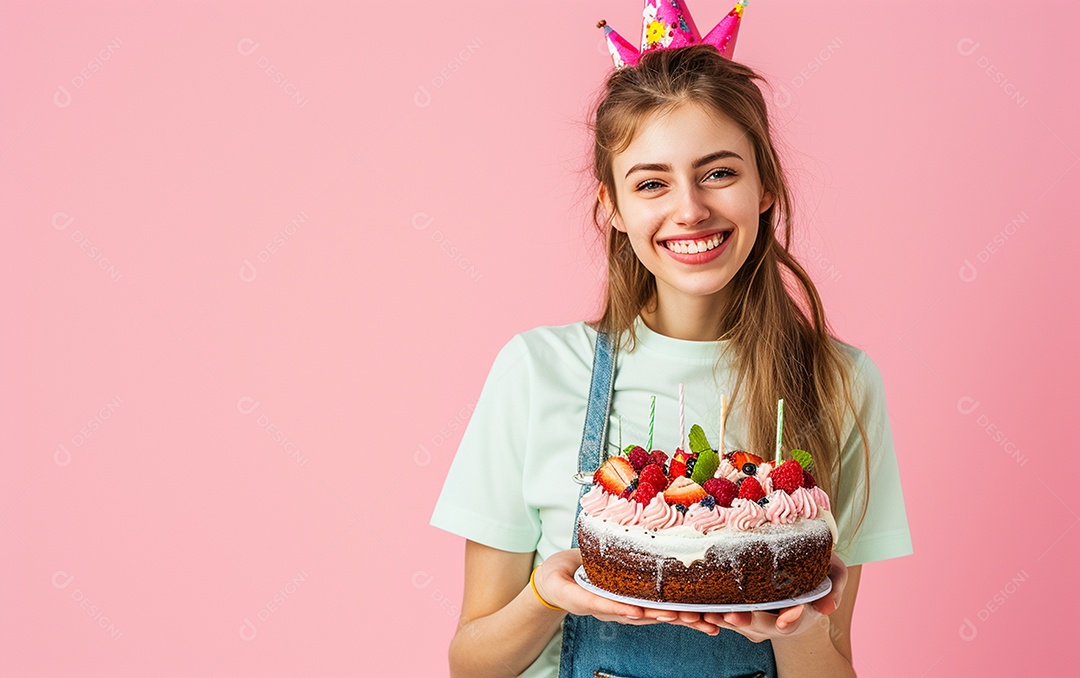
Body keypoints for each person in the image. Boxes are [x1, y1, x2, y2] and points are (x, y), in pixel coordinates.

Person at [430, 3, 912, 676]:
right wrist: (548, 592)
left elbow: (832, 668)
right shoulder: (536, 372)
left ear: (766, 183)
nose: (690, 208)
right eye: (651, 182)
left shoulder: (840, 381)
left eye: (719, 172)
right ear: (613, 208)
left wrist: (792, 624)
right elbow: (470, 665)